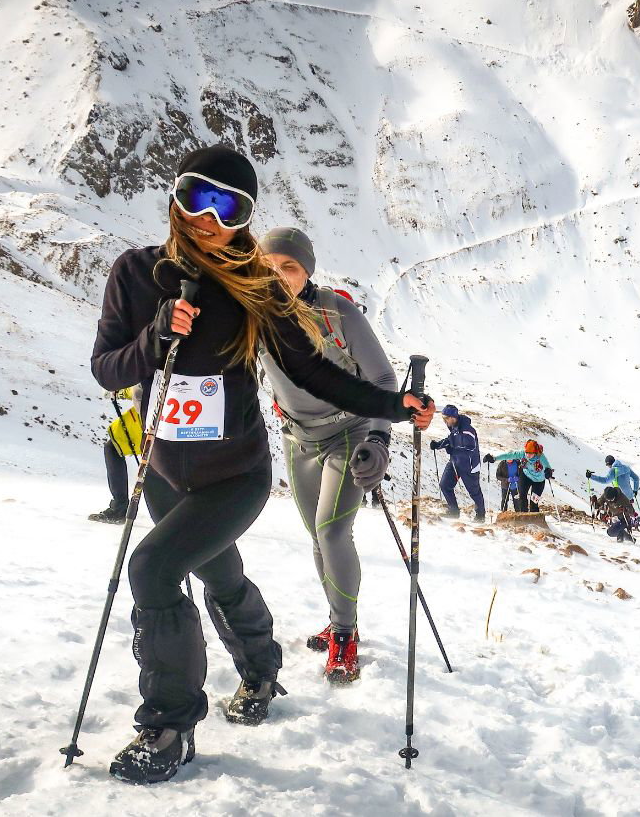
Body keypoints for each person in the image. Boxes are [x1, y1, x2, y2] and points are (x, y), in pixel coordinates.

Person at [91, 144, 435, 784]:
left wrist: (392, 404)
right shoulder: (135, 274)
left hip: (235, 475)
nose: (208, 217)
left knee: (153, 568)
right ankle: (261, 670)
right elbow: (105, 367)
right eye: (197, 195)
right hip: (164, 469)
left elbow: (311, 371)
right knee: (217, 576)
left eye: (229, 207)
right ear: (175, 194)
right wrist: (155, 337)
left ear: (245, 217)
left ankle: (168, 724)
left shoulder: (256, 287)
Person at [257, 226, 397, 685]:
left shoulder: (337, 313)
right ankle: (340, 615)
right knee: (317, 539)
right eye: (269, 266)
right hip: (297, 441)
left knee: (332, 532)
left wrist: (377, 440)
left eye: (290, 267)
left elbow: (381, 380)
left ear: (307, 270)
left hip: (347, 434)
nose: (278, 276)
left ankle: (344, 634)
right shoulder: (253, 313)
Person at [89, 385, 144, 523]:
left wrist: (118, 392)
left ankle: (119, 508)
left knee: (112, 449)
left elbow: (141, 389)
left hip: (150, 421)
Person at [430, 405, 486, 522]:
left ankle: (480, 516)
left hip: (469, 466)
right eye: (443, 418)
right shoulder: (454, 428)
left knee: (474, 492)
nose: (444, 421)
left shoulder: (468, 430)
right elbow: (450, 440)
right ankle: (454, 511)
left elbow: (470, 447)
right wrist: (437, 445)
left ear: (453, 417)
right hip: (455, 462)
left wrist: (452, 449)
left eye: (446, 418)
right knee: (444, 485)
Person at [486, 440, 553, 512]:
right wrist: (494, 458)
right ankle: (523, 516)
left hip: (538, 481)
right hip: (526, 477)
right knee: (522, 496)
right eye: (527, 452)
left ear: (535, 452)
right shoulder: (522, 453)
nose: (528, 455)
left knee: (534, 501)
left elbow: (547, 466)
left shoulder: (540, 456)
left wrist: (548, 471)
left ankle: (534, 519)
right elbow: (509, 455)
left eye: (530, 453)